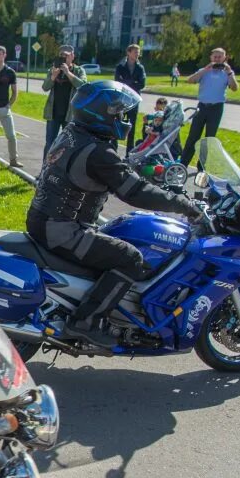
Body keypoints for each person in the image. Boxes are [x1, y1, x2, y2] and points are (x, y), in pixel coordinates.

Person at [26, 81, 202, 348]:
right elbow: (135, 192)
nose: (123, 119)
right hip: (63, 230)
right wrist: (183, 204)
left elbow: (117, 172)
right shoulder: (99, 152)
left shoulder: (72, 133)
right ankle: (86, 322)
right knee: (130, 258)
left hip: (44, 220)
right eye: (117, 113)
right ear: (101, 114)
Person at [181, 47, 239, 167]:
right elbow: (190, 80)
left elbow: (234, 88)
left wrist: (229, 72)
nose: (217, 59)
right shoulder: (204, 71)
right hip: (202, 107)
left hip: (216, 108)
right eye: (215, 57)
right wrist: (205, 70)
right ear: (211, 58)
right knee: (193, 135)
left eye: (220, 57)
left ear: (224, 58)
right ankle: (183, 163)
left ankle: (201, 166)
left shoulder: (227, 73)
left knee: (208, 139)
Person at [42, 45, 87, 154]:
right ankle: (45, 168)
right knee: (50, 143)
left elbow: (83, 86)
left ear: (72, 56)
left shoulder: (79, 71)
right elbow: (45, 87)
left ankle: (63, 170)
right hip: (53, 113)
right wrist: (53, 77)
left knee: (69, 144)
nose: (63, 58)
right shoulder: (53, 69)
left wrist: (68, 73)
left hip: (70, 114)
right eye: (61, 55)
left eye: (66, 55)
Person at [114, 44, 148, 150]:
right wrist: (132, 82)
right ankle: (113, 148)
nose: (137, 54)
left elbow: (142, 84)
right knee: (117, 123)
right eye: (135, 52)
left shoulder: (140, 68)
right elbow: (117, 82)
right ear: (128, 53)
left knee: (131, 126)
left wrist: (127, 82)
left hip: (134, 100)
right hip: (122, 99)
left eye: (138, 52)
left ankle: (129, 151)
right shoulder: (120, 66)